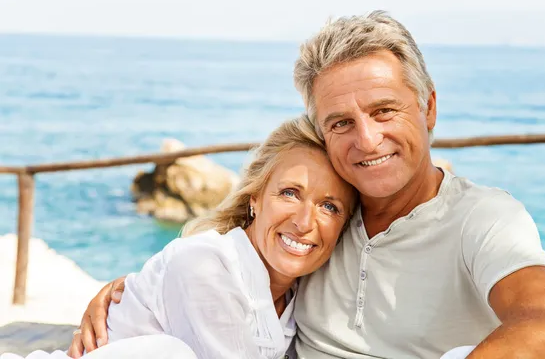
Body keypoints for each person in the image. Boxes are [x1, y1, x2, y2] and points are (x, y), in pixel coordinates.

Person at [70, 11, 545, 358]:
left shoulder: (483, 219)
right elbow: (229, 271)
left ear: (428, 108)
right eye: (341, 123)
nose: (366, 139)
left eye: (385, 111)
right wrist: (131, 297)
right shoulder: (324, 224)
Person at [2, 115, 358, 359]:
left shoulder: (304, 299)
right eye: (290, 193)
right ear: (255, 198)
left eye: (329, 206)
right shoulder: (206, 265)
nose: (304, 221)